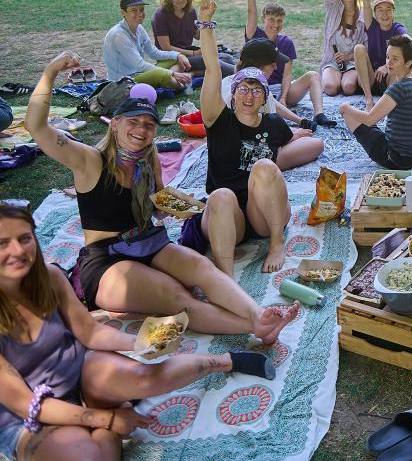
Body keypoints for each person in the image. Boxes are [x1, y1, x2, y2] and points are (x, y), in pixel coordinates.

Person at [24, 50, 298, 339]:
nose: (141, 129)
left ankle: (257, 313)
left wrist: (184, 208)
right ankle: (257, 328)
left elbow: (157, 203)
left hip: (148, 242)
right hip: (107, 258)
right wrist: (50, 73)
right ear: (115, 123)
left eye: (148, 124)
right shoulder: (91, 161)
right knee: (177, 296)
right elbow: (37, 127)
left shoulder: (147, 159)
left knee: (203, 269)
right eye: (133, 121)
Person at [0, 205, 282, 461]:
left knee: (147, 378)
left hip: (79, 373)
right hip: (31, 417)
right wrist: (107, 420)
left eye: (24, 238)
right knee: (89, 455)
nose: (18, 251)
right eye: (3, 243)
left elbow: (90, 333)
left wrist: (142, 342)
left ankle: (227, 360)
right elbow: (27, 406)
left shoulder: (48, 277)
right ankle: (109, 409)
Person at [184, 0, 294, 275]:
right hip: (227, 216)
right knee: (220, 196)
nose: (249, 96)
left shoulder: (274, 123)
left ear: (265, 97)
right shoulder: (218, 121)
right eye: (243, 89)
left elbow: (282, 159)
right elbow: (211, 68)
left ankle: (276, 245)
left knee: (266, 166)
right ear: (232, 93)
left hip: (259, 216)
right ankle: (226, 278)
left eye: (257, 91)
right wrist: (206, 24)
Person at [244, 0, 334, 128]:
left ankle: (319, 114)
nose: (275, 24)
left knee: (313, 75)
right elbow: (251, 11)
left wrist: (284, 97)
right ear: (263, 19)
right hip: (258, 87)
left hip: (281, 89)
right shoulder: (254, 35)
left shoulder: (286, 42)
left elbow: (287, 75)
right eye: (271, 19)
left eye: (279, 20)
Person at [220, 39, 325, 171]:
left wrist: (300, 120)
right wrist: (293, 136)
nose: (276, 67)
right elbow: (265, 136)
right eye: (272, 64)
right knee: (317, 144)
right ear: (259, 65)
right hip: (249, 158)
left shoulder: (228, 82)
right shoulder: (259, 92)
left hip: (226, 151)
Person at [340, 35, 412, 170]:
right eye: (388, 57)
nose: (388, 63)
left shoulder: (398, 88)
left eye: (395, 59)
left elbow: (370, 119)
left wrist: (346, 108)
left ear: (408, 62)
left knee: (350, 115)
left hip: (397, 159)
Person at [102, 0, 191, 89]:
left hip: (139, 73)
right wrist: (171, 73)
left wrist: (178, 55)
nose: (140, 13)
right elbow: (140, 65)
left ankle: (175, 80)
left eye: (141, 9)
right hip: (123, 82)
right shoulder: (118, 35)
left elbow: (154, 53)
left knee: (176, 59)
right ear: (123, 12)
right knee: (161, 74)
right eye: (134, 10)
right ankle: (181, 86)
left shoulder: (139, 28)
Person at [152, 0, 235, 78]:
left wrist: (206, 19)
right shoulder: (160, 15)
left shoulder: (190, 11)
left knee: (226, 57)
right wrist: (193, 53)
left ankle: (193, 74)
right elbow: (166, 47)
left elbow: (197, 35)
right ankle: (237, 71)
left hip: (189, 53)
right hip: (172, 58)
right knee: (207, 60)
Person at [355, 0, 407, 110]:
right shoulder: (372, 26)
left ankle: (390, 103)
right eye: (380, 10)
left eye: (388, 10)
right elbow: (366, 4)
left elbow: (408, 42)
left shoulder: (398, 28)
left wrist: (387, 65)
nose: (384, 15)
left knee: (397, 75)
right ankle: (369, 99)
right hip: (370, 78)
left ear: (393, 13)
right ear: (375, 14)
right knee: (359, 48)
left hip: (389, 76)